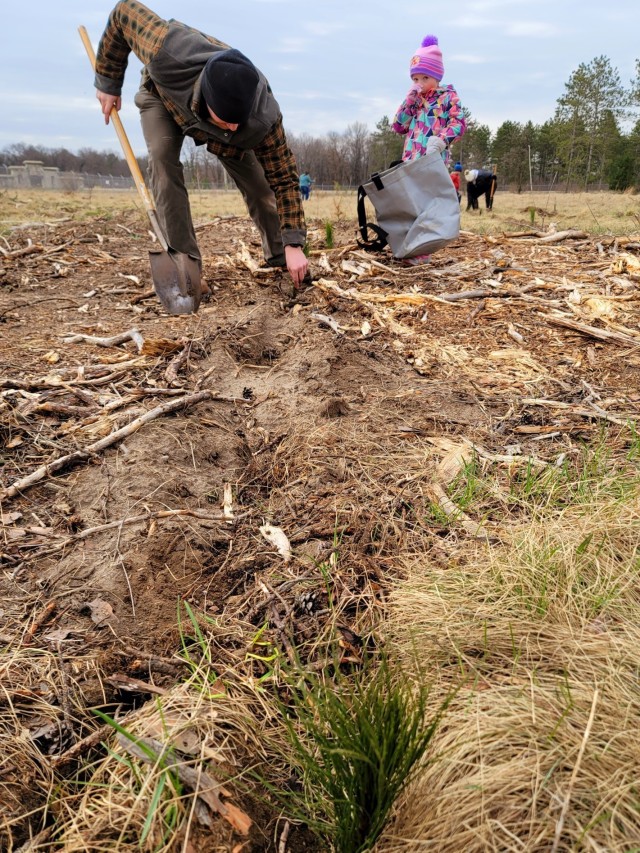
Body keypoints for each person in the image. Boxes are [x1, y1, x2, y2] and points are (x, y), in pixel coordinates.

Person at [92, 0, 308, 298]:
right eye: (227, 120)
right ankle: (186, 268)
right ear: (208, 100)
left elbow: (284, 179)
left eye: (238, 120)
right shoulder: (167, 49)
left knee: (260, 186)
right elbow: (123, 11)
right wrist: (108, 79)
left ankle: (280, 255)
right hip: (165, 99)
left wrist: (294, 243)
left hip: (231, 138)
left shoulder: (262, 116)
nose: (232, 126)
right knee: (163, 164)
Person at [392, 35, 466, 265]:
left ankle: (422, 249)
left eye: (424, 77)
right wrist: (409, 100)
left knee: (427, 204)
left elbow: (459, 123)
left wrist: (442, 139)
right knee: (410, 203)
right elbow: (398, 125)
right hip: (410, 161)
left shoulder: (447, 97)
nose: (420, 82)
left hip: (433, 160)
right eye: (415, 78)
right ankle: (408, 245)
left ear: (436, 75)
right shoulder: (414, 101)